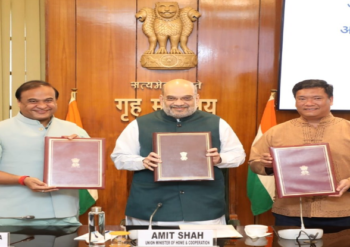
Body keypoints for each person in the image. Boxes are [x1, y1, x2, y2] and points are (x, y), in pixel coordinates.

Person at [111, 79, 245, 225]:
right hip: (152, 210)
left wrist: (220, 159)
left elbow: (238, 155)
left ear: (197, 98)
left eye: (186, 98)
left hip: (203, 210)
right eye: (172, 98)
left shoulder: (217, 123)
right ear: (161, 99)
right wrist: (143, 162)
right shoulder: (139, 124)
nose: (179, 103)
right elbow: (119, 157)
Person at [249, 79, 350, 227]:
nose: (308, 103)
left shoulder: (347, 129)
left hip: (341, 211)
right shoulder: (276, 132)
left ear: (331, 100)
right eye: (301, 99)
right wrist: (267, 165)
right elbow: (254, 163)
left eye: (317, 98)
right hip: (290, 213)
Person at [0, 80, 89, 226]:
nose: (42, 106)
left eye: (48, 100)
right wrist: (22, 179)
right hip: (12, 217)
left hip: (65, 217)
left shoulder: (74, 130)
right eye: (33, 101)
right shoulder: (2, 129)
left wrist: (81, 148)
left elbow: (91, 169)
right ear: (19, 102)